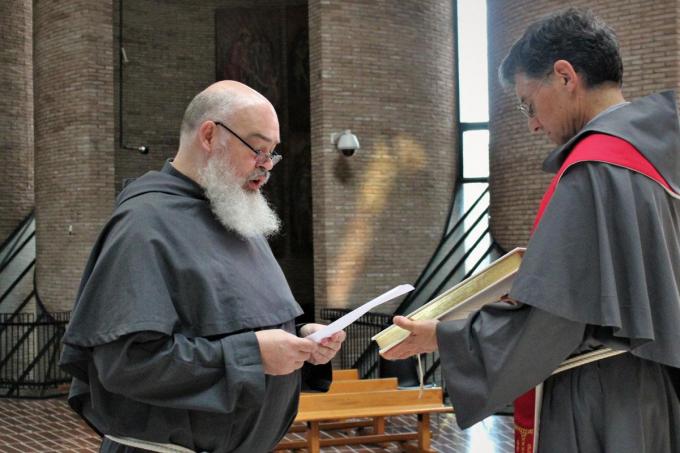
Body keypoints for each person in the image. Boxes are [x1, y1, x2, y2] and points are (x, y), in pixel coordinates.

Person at [383, 8, 680, 453]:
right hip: (657, 389)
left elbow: (552, 319)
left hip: (601, 399)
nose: (533, 123)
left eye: (528, 103)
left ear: (564, 76)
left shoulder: (594, 168)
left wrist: (443, 335)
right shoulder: (660, 148)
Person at [59, 80, 345, 453]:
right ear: (209, 135)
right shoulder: (144, 226)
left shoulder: (238, 217)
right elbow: (126, 364)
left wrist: (301, 344)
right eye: (258, 149)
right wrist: (253, 354)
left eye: (273, 154)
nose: (267, 166)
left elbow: (237, 327)